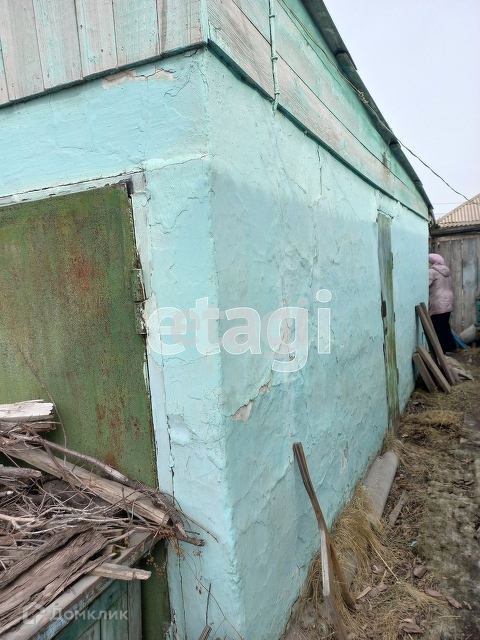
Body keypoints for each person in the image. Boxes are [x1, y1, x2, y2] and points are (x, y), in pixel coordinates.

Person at [428, 253, 456, 353]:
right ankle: (451, 346)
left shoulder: (432, 272)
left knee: (438, 326)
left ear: (431, 262)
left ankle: (442, 350)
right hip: (448, 300)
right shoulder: (446, 271)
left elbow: (425, 284)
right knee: (444, 324)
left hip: (439, 301)